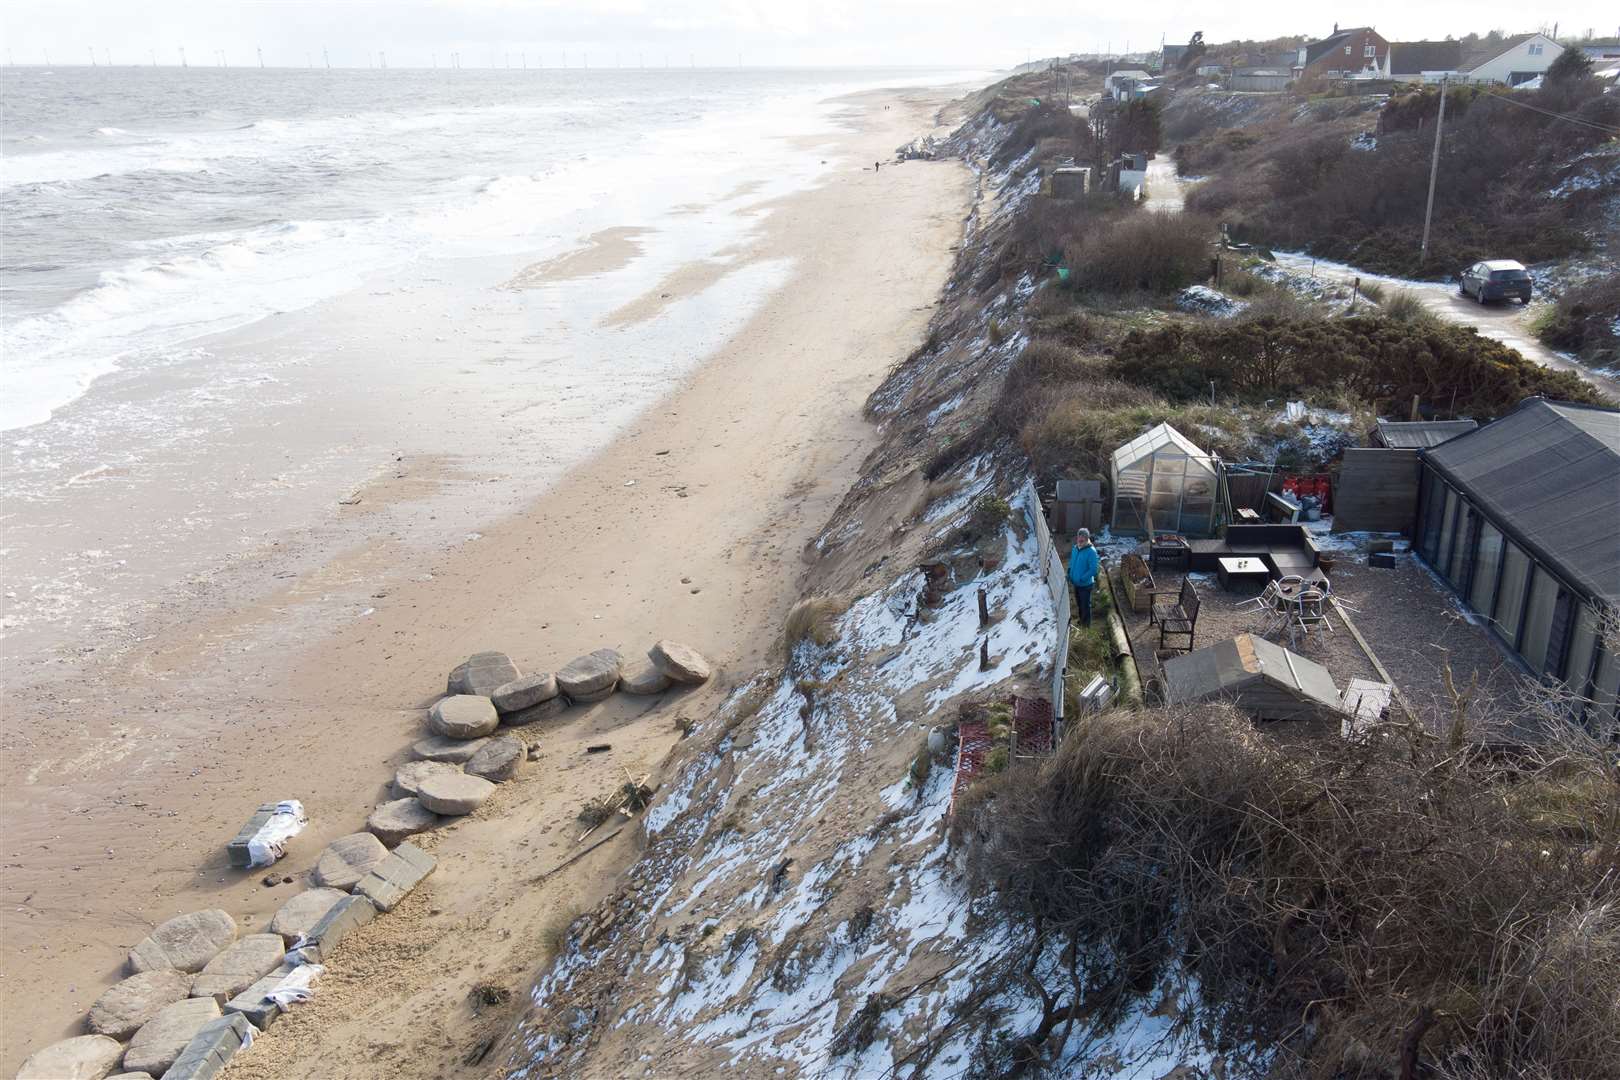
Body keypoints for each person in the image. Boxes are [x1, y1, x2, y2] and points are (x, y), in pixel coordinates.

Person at [1068, 528, 1100, 628]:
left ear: (1087, 539)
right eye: (1079, 538)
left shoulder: (1091, 551)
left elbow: (1093, 569)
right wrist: (1069, 572)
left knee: (1085, 606)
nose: (1080, 541)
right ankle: (1082, 621)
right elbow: (1072, 562)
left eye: (1082, 539)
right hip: (1076, 583)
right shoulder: (1075, 548)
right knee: (1079, 604)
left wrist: (1082, 578)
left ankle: (1086, 626)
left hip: (1085, 585)